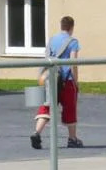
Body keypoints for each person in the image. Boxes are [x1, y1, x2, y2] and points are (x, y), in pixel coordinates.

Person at [31, 14, 82, 150]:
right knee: (70, 107)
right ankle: (72, 138)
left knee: (47, 105)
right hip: (66, 79)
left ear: (61, 26)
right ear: (72, 27)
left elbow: (47, 58)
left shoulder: (52, 40)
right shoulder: (73, 42)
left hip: (51, 78)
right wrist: (76, 81)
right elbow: (73, 63)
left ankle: (36, 133)